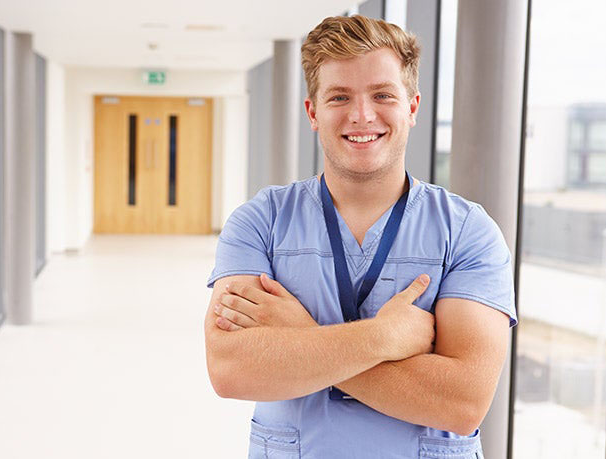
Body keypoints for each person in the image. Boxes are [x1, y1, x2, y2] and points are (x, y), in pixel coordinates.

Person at [204, 15, 517, 458]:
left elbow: (462, 402)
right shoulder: (260, 222)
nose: (362, 115)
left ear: (412, 107)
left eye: (382, 95)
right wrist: (382, 338)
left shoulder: (468, 232)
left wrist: (301, 337)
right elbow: (232, 369)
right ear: (313, 112)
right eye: (339, 96)